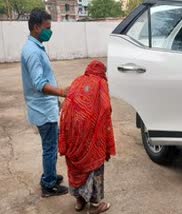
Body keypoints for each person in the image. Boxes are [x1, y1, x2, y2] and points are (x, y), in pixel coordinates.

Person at [21, 8, 69, 197]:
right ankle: (48, 185)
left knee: (51, 146)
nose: (50, 31)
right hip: (42, 109)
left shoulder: (35, 47)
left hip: (46, 106)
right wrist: (62, 92)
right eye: (47, 28)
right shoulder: (32, 52)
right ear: (36, 27)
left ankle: (49, 175)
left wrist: (56, 101)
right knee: (50, 148)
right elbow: (39, 83)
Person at [59, 60, 116, 213]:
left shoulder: (77, 81)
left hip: (72, 131)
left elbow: (68, 103)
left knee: (75, 167)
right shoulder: (101, 83)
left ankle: (79, 201)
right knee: (94, 165)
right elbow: (105, 108)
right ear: (102, 72)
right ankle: (95, 205)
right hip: (91, 132)